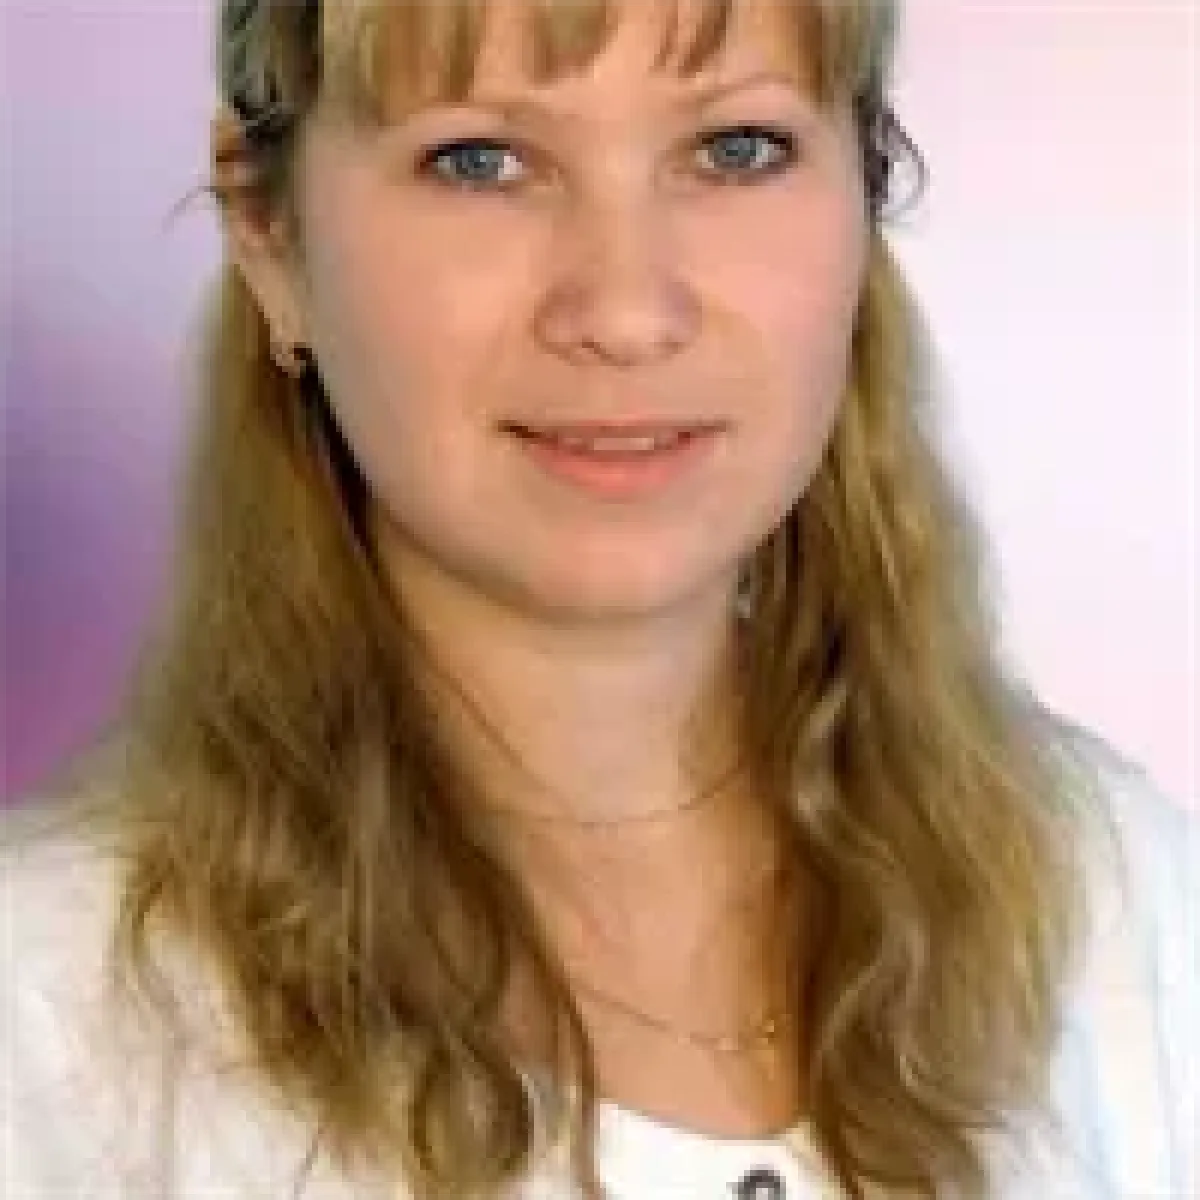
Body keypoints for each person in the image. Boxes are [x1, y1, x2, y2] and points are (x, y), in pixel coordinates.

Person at [1, 0, 1194, 1196]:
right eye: (480, 161)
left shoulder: (1112, 891)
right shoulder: (44, 1027)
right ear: (269, 235)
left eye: (736, 149)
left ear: (864, 191)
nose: (626, 314)